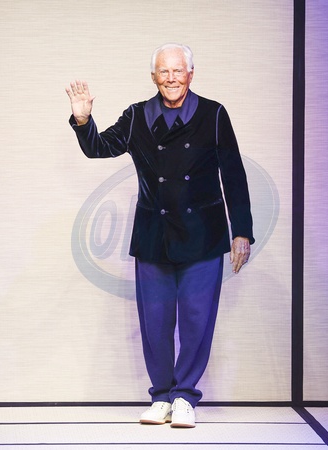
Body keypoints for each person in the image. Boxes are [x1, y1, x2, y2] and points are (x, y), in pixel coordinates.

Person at [65, 43, 254, 428]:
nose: (171, 78)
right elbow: (101, 148)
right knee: (155, 322)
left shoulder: (214, 114)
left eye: (178, 70)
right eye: (164, 72)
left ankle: (184, 396)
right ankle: (162, 397)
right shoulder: (137, 115)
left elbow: (233, 174)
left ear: (190, 74)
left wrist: (242, 232)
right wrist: (84, 121)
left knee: (197, 320)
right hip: (154, 234)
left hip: (203, 235)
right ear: (154, 77)